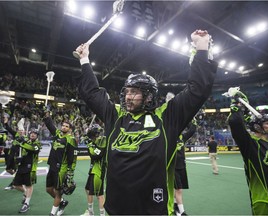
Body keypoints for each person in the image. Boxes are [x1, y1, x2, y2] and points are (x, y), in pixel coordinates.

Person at [74, 29, 217, 215]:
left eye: (134, 92)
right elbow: (91, 93)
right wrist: (84, 60)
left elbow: (198, 89)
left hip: (154, 209)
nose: (127, 97)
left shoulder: (167, 117)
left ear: (148, 97)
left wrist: (201, 46)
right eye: (126, 92)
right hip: (116, 209)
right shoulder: (115, 115)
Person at [228, 90, 268, 215]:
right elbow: (235, 123)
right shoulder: (251, 145)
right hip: (265, 202)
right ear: (257, 127)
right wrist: (237, 105)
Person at [3, 117, 41, 213]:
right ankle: (25, 193)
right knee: (16, 185)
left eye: (35, 133)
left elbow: (32, 149)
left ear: (37, 136)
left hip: (31, 167)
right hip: (21, 166)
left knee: (29, 185)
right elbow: (13, 133)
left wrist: (21, 142)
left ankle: (26, 203)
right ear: (29, 133)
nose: (32, 134)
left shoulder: (37, 144)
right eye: (31, 133)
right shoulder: (24, 140)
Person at [43, 111, 78, 216]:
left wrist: (70, 175)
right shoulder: (58, 134)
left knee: (58, 192)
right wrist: (47, 117)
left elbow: (73, 159)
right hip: (52, 167)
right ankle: (62, 202)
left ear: (70, 129)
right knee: (49, 189)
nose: (63, 127)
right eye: (63, 125)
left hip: (61, 170)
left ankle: (52, 213)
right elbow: (50, 126)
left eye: (66, 126)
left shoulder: (71, 140)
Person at [81, 124, 106, 216]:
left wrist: (89, 144)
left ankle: (102, 215)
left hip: (99, 170)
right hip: (93, 169)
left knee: (99, 195)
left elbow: (96, 155)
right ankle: (90, 211)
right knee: (87, 189)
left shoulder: (103, 140)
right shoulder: (95, 141)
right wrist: (88, 140)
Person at [174, 121, 197, 216]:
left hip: (182, 167)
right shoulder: (169, 137)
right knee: (179, 190)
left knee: (177, 189)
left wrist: (191, 121)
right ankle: (182, 211)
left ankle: (175, 205)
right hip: (173, 168)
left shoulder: (182, 137)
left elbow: (192, 130)